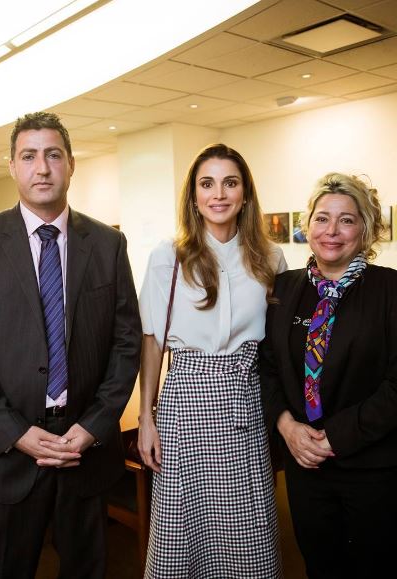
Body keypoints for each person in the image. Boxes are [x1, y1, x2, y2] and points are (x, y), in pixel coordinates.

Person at [0, 112, 142, 578]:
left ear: (71, 164)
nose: (42, 168)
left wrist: (94, 426)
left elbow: (126, 344)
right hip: (4, 453)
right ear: (12, 166)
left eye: (53, 155)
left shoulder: (109, 244)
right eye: (29, 156)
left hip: (83, 448)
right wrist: (16, 432)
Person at [138, 143, 286, 578]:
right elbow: (152, 341)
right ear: (193, 196)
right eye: (207, 184)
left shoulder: (270, 257)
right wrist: (146, 418)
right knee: (183, 532)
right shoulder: (168, 256)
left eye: (229, 183)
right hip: (184, 403)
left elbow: (277, 345)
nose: (218, 194)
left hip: (245, 402)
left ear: (245, 193)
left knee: (249, 530)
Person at [260, 172, 397, 579]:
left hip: (372, 468)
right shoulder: (283, 289)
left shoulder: (390, 290)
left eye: (346, 220)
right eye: (322, 218)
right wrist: (286, 426)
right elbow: (267, 367)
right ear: (308, 226)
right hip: (306, 469)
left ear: (365, 229)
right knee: (320, 565)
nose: (332, 231)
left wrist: (335, 436)